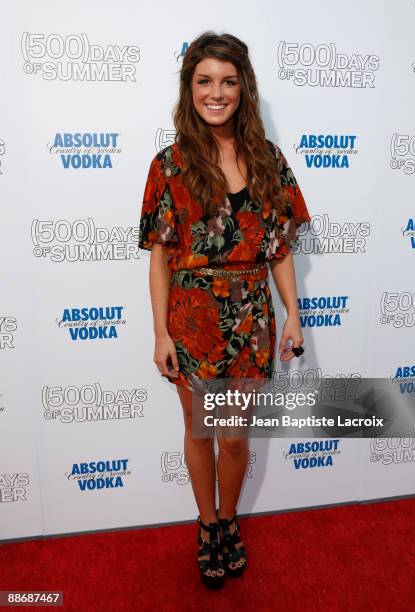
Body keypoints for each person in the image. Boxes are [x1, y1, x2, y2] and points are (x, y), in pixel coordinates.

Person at [138, 31, 311, 590]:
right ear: (189, 89)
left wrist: (294, 313)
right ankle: (206, 524)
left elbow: (278, 248)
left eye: (228, 81)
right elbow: (160, 259)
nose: (217, 93)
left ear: (244, 88)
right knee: (199, 429)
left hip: (250, 318)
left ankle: (228, 518)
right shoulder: (169, 165)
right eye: (204, 81)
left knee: (234, 436)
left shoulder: (268, 160)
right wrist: (161, 333)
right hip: (192, 319)